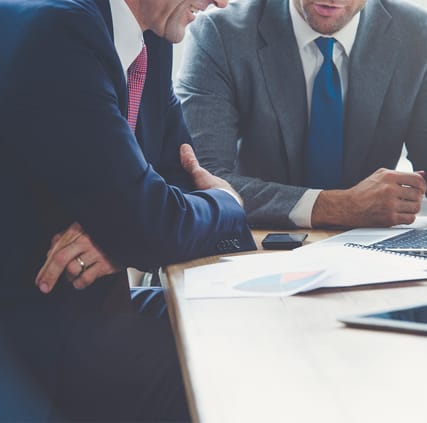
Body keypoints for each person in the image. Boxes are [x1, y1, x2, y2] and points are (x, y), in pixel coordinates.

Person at [0, 0, 257, 421]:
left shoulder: (149, 37)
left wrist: (125, 230)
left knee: (250, 320)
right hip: (36, 324)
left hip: (101, 308)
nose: (223, 2)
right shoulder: (62, 32)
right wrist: (229, 203)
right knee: (225, 373)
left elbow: (176, 180)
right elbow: (153, 220)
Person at [175, 0, 427, 229]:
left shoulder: (421, 36)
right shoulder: (220, 35)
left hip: (369, 267)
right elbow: (202, 182)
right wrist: (336, 206)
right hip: (256, 254)